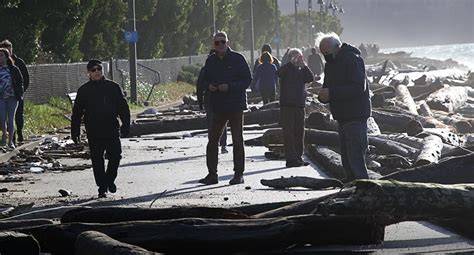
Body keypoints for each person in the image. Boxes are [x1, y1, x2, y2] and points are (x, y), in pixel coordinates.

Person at [71, 59, 130, 198]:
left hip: (111, 128)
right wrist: (75, 131)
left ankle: (110, 179)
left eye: (99, 69)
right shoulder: (84, 90)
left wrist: (126, 125)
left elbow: (123, 107)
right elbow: (77, 112)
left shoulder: (113, 87)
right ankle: (102, 186)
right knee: (97, 159)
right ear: (88, 73)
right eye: (93, 70)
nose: (97, 72)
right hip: (94, 130)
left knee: (115, 156)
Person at [199, 31, 252, 185]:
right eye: (217, 43)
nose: (220, 45)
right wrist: (209, 86)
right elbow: (203, 80)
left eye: (223, 42)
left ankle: (238, 174)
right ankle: (212, 174)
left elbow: (247, 80)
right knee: (212, 140)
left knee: (237, 140)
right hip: (218, 106)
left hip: (236, 105)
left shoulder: (238, 59)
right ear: (213, 45)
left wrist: (229, 87)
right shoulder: (211, 61)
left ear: (228, 43)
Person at [317, 32, 371, 182]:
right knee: (347, 159)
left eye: (326, 52)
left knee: (355, 158)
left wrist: (332, 93)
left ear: (337, 47)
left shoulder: (353, 59)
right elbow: (327, 87)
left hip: (355, 114)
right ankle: (351, 189)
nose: (325, 56)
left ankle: (363, 190)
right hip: (342, 116)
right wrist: (322, 96)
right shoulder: (330, 64)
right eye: (323, 54)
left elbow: (358, 87)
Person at [277, 48, 314, 168]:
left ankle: (299, 157)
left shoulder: (302, 69)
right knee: (288, 132)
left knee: (299, 132)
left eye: (299, 56)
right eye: (294, 56)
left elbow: (310, 78)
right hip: (287, 105)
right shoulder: (286, 68)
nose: (297, 58)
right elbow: (279, 73)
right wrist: (290, 63)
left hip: (299, 104)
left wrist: (304, 66)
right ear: (289, 57)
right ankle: (290, 158)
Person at [196, 49, 228, 154]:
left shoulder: (205, 69)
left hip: (214, 99)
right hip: (215, 99)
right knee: (221, 122)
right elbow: (201, 85)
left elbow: (199, 85)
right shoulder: (222, 69)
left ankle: (215, 144)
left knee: (213, 122)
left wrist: (200, 101)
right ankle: (221, 144)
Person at [0, 40, 29, 144]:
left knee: (14, 117)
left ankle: (13, 139)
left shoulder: (15, 66)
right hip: (1, 97)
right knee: (2, 118)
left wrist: (20, 92)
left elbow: (23, 79)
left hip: (13, 96)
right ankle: (4, 135)